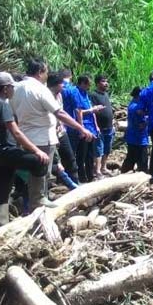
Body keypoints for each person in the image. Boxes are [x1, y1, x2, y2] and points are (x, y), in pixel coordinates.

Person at [11, 58, 93, 209]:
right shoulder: (41, 89)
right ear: (40, 72)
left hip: (24, 137)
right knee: (42, 172)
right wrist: (81, 128)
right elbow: (59, 113)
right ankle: (38, 202)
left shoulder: (16, 88)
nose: (47, 75)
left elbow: (13, 113)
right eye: (46, 72)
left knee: (29, 172)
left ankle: (28, 204)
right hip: (42, 138)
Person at [0, 72, 50, 226]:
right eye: (12, 87)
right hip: (6, 151)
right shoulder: (3, 105)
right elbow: (16, 132)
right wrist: (37, 150)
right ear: (5, 89)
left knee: (1, 189)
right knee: (39, 161)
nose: (13, 90)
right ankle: (38, 198)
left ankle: (1, 225)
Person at [46, 73, 80, 189]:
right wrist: (80, 128)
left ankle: (75, 187)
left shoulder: (59, 95)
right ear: (55, 84)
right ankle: (61, 185)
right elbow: (59, 114)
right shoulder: (45, 95)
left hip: (61, 132)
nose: (64, 86)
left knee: (70, 160)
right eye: (62, 84)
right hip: (49, 134)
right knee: (54, 164)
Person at [73, 75, 104, 181]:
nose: (89, 87)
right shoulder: (76, 92)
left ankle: (90, 176)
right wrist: (81, 128)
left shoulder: (85, 93)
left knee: (90, 154)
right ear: (82, 83)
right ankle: (82, 177)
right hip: (84, 126)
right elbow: (79, 111)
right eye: (88, 85)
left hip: (91, 127)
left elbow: (90, 110)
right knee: (82, 154)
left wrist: (96, 125)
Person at [89, 75, 115, 175]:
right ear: (97, 83)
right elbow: (93, 112)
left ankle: (104, 167)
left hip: (109, 127)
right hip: (99, 128)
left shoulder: (106, 94)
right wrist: (96, 126)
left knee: (107, 148)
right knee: (99, 149)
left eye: (106, 81)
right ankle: (97, 170)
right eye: (103, 81)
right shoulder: (93, 95)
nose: (106, 83)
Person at [122, 87, 149, 173]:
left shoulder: (135, 104)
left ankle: (125, 173)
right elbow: (141, 113)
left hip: (136, 137)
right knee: (140, 160)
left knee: (132, 158)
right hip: (137, 138)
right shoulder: (135, 106)